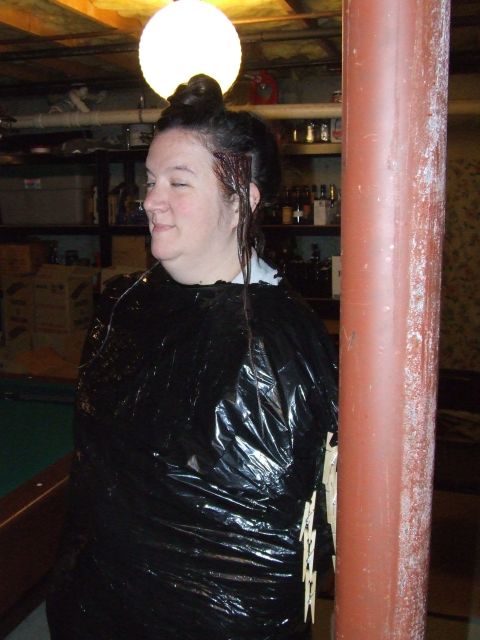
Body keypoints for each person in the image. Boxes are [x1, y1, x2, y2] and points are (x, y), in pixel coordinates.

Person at [46, 74, 338, 640]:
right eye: (150, 180)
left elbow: (287, 545)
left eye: (179, 182)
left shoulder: (277, 345)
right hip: (93, 607)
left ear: (242, 200)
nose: (150, 200)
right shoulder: (125, 306)